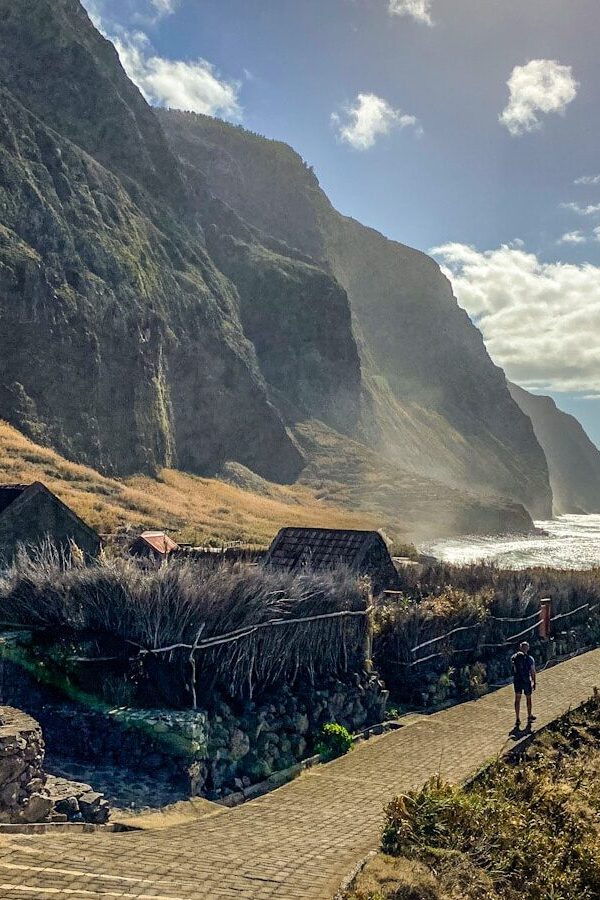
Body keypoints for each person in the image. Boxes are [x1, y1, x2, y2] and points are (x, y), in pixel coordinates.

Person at [511, 640, 536, 728]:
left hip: (517, 680)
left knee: (517, 699)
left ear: (520, 648)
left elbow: (513, 668)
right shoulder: (530, 659)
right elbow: (532, 671)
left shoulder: (514, 657)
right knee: (528, 698)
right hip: (526, 680)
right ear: (528, 648)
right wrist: (534, 682)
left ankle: (517, 718)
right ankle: (529, 716)